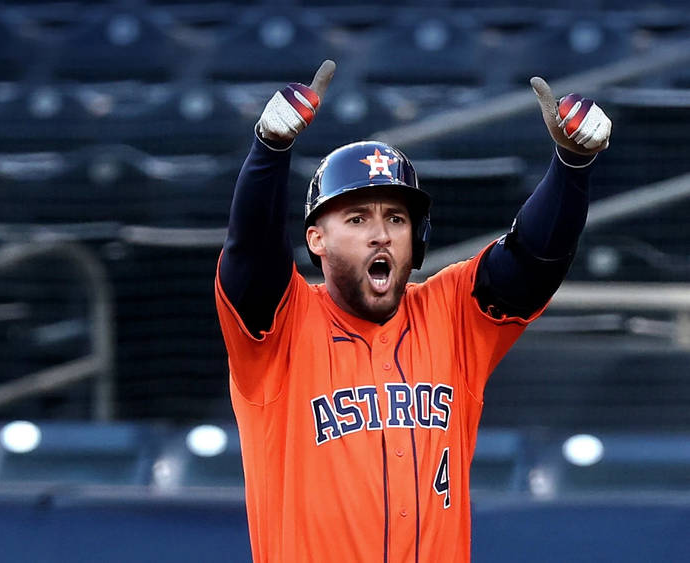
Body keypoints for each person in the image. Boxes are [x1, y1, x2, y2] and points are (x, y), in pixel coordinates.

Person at [215, 59, 611, 562]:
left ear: (415, 239)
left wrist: (572, 168)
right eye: (357, 218)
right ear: (316, 239)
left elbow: (533, 257)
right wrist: (269, 153)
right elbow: (250, 253)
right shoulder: (279, 329)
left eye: (396, 218)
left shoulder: (452, 315)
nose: (381, 233)